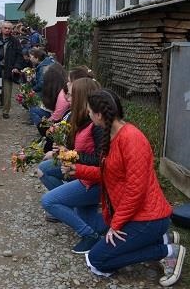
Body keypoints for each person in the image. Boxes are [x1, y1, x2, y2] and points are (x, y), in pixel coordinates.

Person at [66, 89, 184, 286]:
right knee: (101, 254)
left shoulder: (131, 139)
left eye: (89, 111)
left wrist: (116, 224)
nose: (87, 114)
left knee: (97, 260)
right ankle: (161, 239)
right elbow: (109, 174)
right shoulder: (112, 136)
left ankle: (167, 251)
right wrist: (77, 170)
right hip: (137, 215)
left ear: (99, 115)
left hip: (149, 217)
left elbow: (135, 190)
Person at [39, 78, 106, 253]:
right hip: (85, 177)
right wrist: (64, 151)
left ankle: (89, 235)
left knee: (48, 201)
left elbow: (101, 160)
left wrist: (69, 155)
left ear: (80, 96)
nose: (66, 97)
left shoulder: (96, 124)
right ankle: (144, 227)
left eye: (70, 94)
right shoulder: (80, 118)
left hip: (94, 181)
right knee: (93, 222)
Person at [0, 21, 23, 119]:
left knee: (7, 91)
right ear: (1, 28)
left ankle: (5, 111)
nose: (7, 30)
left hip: (9, 69)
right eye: (5, 28)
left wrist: (16, 66)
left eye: (9, 28)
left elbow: (19, 55)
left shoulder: (15, 41)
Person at [28, 63, 67, 127]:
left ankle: (43, 129)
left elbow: (57, 115)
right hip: (55, 114)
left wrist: (46, 122)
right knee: (34, 108)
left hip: (59, 120)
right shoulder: (60, 87)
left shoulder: (62, 95)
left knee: (33, 110)